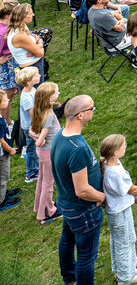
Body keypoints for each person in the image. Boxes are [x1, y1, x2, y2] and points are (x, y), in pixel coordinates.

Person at [52, 94, 106, 285]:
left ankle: (69, 277)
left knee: (67, 240)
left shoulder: (60, 135)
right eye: (92, 108)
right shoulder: (77, 148)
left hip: (66, 204)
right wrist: (101, 196)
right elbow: (82, 190)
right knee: (86, 256)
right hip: (83, 210)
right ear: (80, 115)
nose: (94, 111)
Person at [100, 134, 137, 285]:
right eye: (124, 146)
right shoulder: (114, 173)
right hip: (119, 212)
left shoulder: (110, 164)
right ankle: (126, 276)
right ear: (115, 152)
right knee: (124, 241)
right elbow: (129, 188)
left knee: (123, 239)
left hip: (118, 209)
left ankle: (125, 264)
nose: (126, 147)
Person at [29, 80, 62, 223]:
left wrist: (34, 135)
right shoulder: (48, 115)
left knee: (42, 180)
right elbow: (40, 140)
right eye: (56, 92)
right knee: (48, 183)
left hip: (42, 152)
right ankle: (48, 213)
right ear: (48, 97)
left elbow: (31, 130)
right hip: (49, 152)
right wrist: (37, 137)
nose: (58, 93)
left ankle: (41, 207)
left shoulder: (39, 110)